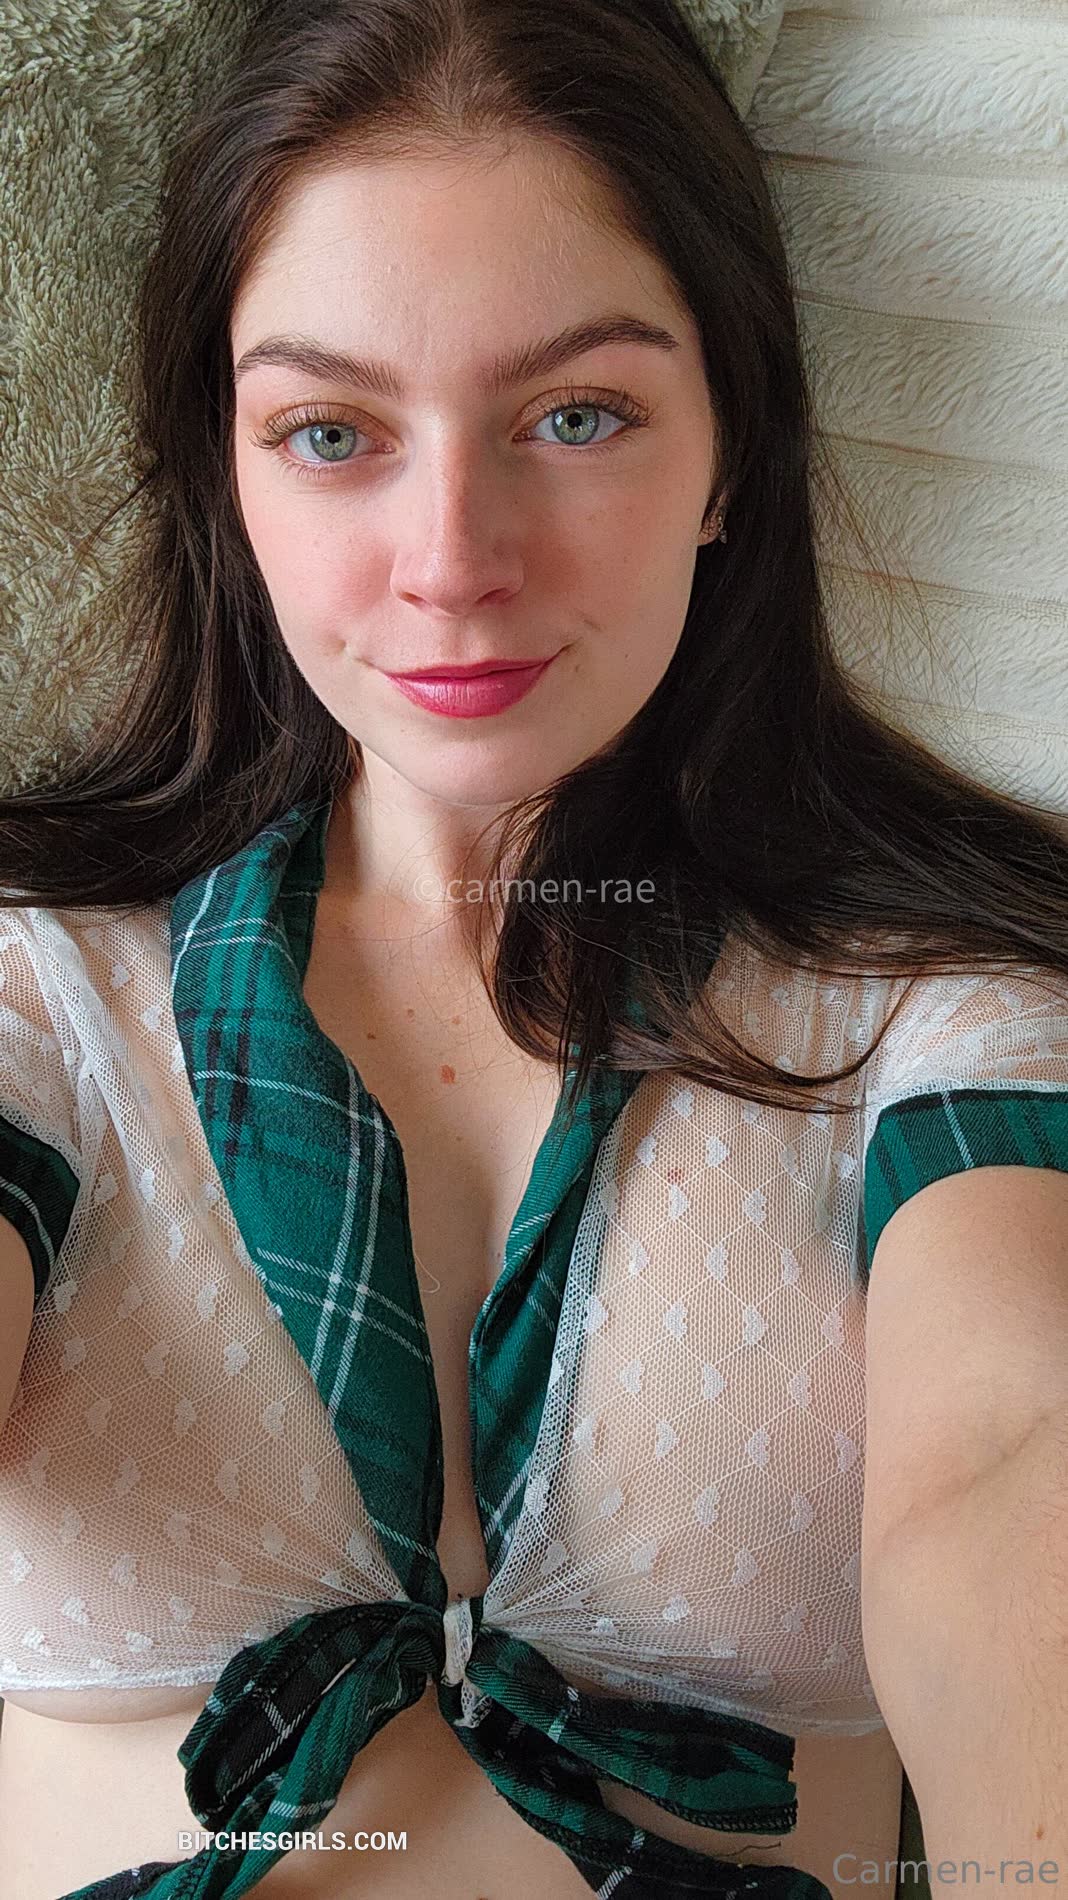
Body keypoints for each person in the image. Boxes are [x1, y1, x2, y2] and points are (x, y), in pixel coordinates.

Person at [1, 2, 1067, 1897]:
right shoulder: (40, 979)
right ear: (227, 477)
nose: (452, 557)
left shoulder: (947, 1000)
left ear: (729, 452)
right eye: (330, 433)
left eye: (578, 416)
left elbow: (1017, 1461)